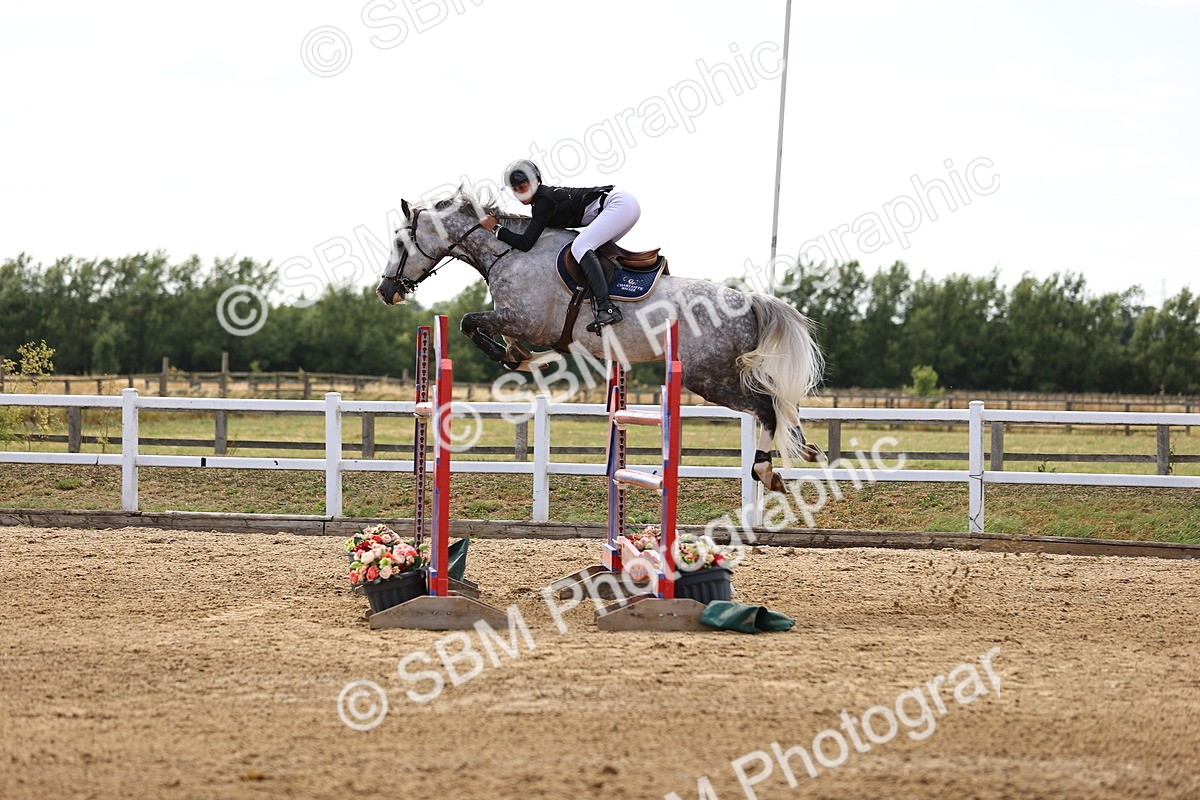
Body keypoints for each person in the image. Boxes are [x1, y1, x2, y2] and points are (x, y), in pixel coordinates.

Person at [478, 159, 641, 332]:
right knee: (591, 252)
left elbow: (525, 243)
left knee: (580, 247)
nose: (520, 194)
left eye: (523, 187)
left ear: (536, 181)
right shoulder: (541, 200)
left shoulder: (544, 201)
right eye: (515, 190)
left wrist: (495, 228)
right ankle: (617, 296)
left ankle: (606, 307)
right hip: (623, 205)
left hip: (619, 204)